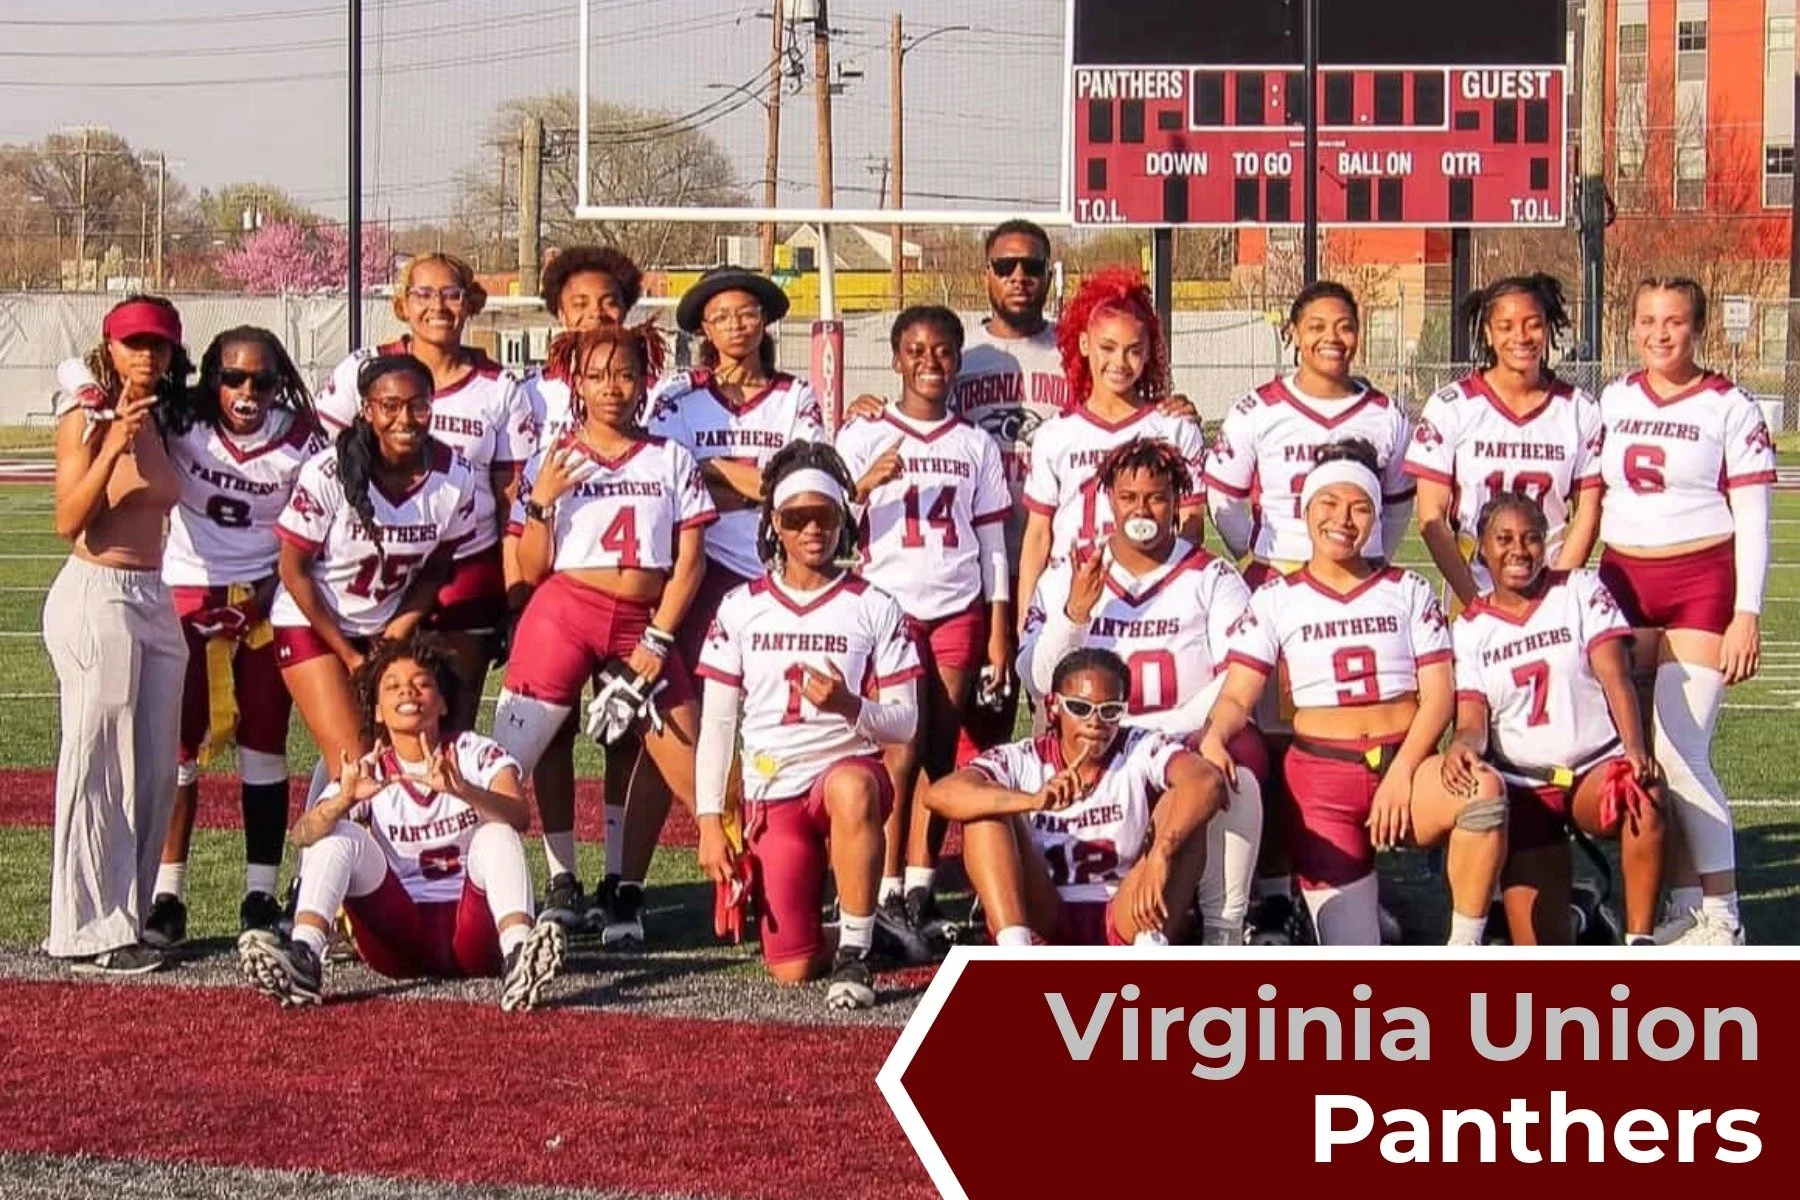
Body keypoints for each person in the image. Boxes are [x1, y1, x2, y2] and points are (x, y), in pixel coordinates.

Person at [1199, 440, 1503, 946]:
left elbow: (1439, 697)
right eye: (1329, 504)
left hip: (1403, 764)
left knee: (1483, 793)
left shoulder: (1407, 589)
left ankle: (1465, 947)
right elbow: (1237, 695)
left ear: (1377, 516)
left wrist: (1402, 771)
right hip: (1323, 780)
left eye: (1360, 507)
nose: (1343, 519)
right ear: (1305, 509)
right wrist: (1215, 736)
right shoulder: (1278, 597)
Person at [602, 267, 824, 942]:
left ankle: (771, 879)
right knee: (672, 736)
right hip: (693, 580)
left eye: (747, 313)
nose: (736, 325)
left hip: (773, 584)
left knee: (778, 737)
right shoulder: (675, 397)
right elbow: (669, 480)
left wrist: (717, 477)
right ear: (702, 327)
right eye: (722, 315)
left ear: (765, 322)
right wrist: (750, 484)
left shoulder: (797, 395)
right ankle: (624, 885)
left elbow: (799, 483)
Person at [1200, 280, 1413, 937]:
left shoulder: (1385, 414)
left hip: (1358, 585)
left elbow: (1397, 505)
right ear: (1292, 331)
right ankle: (1271, 890)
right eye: (1316, 324)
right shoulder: (1257, 408)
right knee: (1274, 743)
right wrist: (1263, 555)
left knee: (1344, 739)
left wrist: (1371, 555)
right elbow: (1226, 501)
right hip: (1283, 581)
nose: (1331, 337)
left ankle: (1351, 880)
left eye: (1344, 324)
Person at [492, 320, 715, 947]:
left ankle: (625, 887)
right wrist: (540, 501)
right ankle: (531, 887)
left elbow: (689, 559)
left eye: (625, 374)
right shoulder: (552, 457)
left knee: (682, 760)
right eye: (597, 376)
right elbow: (532, 569)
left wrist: (660, 640)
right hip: (566, 607)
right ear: (575, 383)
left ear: (646, 379)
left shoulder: (670, 456)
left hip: (644, 621)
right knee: (506, 763)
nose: (612, 388)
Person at [693, 442, 922, 1009]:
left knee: (852, 785)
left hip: (845, 774)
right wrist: (706, 822)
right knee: (792, 967)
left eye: (824, 515)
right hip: (775, 790)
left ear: (844, 517)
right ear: (774, 522)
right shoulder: (740, 606)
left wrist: (851, 707)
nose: (812, 530)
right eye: (797, 517)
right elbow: (720, 722)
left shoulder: (874, 604)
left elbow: (905, 723)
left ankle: (856, 951)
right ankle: (856, 926)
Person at [1017, 438, 1264, 944]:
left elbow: (1237, 673)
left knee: (1238, 764)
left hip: (1181, 734)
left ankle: (1224, 929)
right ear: (1108, 497)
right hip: (1095, 742)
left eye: (1155, 497)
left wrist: (1167, 732)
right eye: (1128, 497)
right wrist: (1074, 617)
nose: (1141, 509)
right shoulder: (1069, 573)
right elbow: (1039, 679)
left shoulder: (1210, 575)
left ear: (1177, 501)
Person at [236, 634, 564, 1011]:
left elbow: (519, 816)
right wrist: (343, 799)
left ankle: (519, 954)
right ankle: (304, 957)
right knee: (339, 836)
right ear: (377, 710)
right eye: (392, 686)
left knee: (496, 833)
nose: (407, 692)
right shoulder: (371, 768)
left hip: (473, 930)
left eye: (422, 683)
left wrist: (464, 791)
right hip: (399, 934)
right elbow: (303, 835)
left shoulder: (472, 751)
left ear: (441, 702)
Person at [1595, 277, 1776, 946]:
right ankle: (1678, 904)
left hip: (1701, 579)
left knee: (1680, 750)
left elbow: (1754, 516)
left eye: (1673, 321)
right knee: (1639, 756)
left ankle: (1723, 912)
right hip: (1623, 577)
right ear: (1632, 325)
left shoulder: (1730, 404)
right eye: (1647, 320)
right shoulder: (1612, 399)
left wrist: (1747, 612)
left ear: (1697, 327)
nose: (1660, 333)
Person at [836, 305, 1012, 954]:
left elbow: (992, 542)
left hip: (958, 604)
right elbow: (820, 520)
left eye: (942, 351)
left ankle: (918, 885)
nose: (930, 362)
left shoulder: (975, 444)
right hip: (888, 609)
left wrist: (998, 630)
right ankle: (878, 887)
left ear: (958, 361)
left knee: (939, 750)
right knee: (898, 753)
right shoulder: (863, 434)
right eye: (917, 350)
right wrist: (860, 484)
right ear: (896, 358)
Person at [149, 326, 324, 946]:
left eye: (263, 379)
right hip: (187, 592)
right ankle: (166, 894)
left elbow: (316, 535)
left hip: (264, 599)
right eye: (234, 377)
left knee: (264, 748)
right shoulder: (181, 420)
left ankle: (259, 893)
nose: (248, 391)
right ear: (212, 378)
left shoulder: (303, 441)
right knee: (178, 756)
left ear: (280, 383)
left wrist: (264, 601)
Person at [316, 253, 535, 734]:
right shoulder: (363, 369)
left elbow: (510, 498)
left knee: (450, 719)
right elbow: (321, 463)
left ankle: (450, 807)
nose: (438, 306)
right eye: (423, 293)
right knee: (366, 723)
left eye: (451, 293)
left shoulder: (500, 388)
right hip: (377, 563)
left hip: (464, 561)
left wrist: (513, 596)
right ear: (402, 304)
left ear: (470, 303)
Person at [43, 295, 193, 976]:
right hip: (95, 592)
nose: (147, 356)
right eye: (134, 344)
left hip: (152, 597)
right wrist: (111, 442)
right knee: (96, 764)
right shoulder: (86, 416)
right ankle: (84, 930)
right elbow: (69, 518)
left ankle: (127, 917)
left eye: (158, 345)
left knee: (156, 769)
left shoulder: (164, 413)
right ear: (111, 345)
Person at [1442, 494, 1666, 944]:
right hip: (1524, 784)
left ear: (1545, 543)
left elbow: (1614, 675)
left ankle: (1641, 941)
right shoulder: (1470, 626)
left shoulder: (1579, 589)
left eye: (1530, 538)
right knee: (1542, 950)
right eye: (1504, 539)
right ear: (1482, 548)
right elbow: (1472, 719)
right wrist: (1462, 747)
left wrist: (1635, 749)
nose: (1518, 551)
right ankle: (1582, 913)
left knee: (1645, 791)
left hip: (1592, 767)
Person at [271, 354, 479, 813]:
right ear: (367, 409)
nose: (404, 419)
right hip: (312, 620)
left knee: (390, 751)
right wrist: (349, 655)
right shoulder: (329, 473)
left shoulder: (455, 475)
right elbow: (293, 570)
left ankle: (320, 868)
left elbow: (436, 569)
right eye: (390, 406)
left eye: (417, 406)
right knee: (359, 759)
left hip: (383, 624)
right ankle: (335, 874)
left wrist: (392, 639)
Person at [514, 245, 649, 935]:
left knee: (630, 732)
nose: (596, 313)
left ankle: (621, 877)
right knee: (552, 733)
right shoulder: (529, 395)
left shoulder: (650, 387)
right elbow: (515, 489)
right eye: (579, 304)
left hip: (635, 598)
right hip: (556, 584)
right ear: (556, 313)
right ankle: (562, 876)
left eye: (609, 302)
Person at [927, 647, 1225, 947]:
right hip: (1043, 911)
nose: (1095, 722)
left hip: (1124, 911)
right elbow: (939, 794)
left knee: (1186, 810)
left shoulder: (1138, 746)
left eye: (1109, 711)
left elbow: (1207, 781)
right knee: (984, 810)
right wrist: (1031, 801)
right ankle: (1015, 950)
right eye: (1081, 708)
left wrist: (1162, 851)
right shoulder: (1025, 757)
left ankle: (1150, 950)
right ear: (1054, 706)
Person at [1016, 266, 1207, 631]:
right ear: (1084, 344)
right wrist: (1025, 624)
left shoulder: (1174, 428)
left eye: (1133, 350)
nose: (1120, 363)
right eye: (1108, 348)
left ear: (1150, 351)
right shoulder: (1055, 434)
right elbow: (1038, 536)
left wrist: (1160, 576)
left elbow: (1192, 521)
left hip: (1149, 595)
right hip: (1071, 593)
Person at [1406, 274, 1603, 608]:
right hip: (1475, 586)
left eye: (1533, 324)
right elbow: (1430, 516)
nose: (1521, 337)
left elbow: (1588, 513)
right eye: (1506, 326)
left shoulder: (1578, 409)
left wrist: (1556, 597)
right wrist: (1475, 604)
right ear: (1488, 333)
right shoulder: (1452, 406)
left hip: (1549, 586)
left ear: (1548, 330)